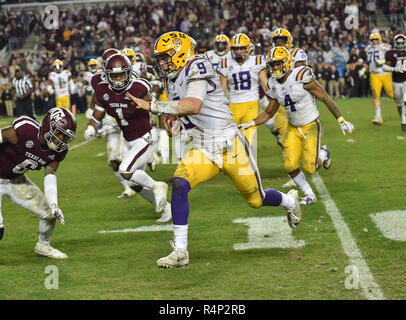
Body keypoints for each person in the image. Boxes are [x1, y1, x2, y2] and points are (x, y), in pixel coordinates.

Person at [127, 31, 302, 269]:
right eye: (160, 58)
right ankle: (180, 251)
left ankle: (290, 202)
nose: (162, 62)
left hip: (230, 145)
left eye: (166, 56)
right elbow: (178, 112)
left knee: (256, 199)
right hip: (203, 148)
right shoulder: (171, 77)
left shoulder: (197, 64)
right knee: (179, 183)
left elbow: (194, 105)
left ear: (181, 52)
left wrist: (152, 106)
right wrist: (171, 121)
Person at [239, 47, 355, 205]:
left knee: (310, 168)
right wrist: (250, 123)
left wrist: (340, 119)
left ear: (286, 62)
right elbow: (269, 112)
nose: (274, 68)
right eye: (272, 65)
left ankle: (323, 153)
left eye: (278, 64)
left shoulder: (301, 75)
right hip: (292, 128)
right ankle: (309, 194)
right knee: (290, 165)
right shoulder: (273, 83)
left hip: (311, 124)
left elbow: (325, 97)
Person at [84, 53, 171, 223]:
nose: (118, 79)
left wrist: (162, 136)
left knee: (126, 170)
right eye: (114, 75)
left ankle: (157, 185)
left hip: (145, 137)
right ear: (107, 75)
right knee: (132, 182)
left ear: (129, 72)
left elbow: (159, 109)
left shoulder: (137, 88)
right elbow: (98, 113)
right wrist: (91, 126)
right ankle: (168, 208)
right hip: (129, 138)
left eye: (121, 74)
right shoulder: (103, 89)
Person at [0, 107, 76, 258]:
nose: (60, 139)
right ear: (48, 124)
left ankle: (43, 246)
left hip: (15, 180)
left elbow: (50, 173)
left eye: (65, 136)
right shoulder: (26, 130)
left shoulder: (59, 151)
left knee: (49, 214)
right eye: (58, 132)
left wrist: (54, 203)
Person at [218, 33, 268, 143]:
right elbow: (222, 90)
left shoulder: (257, 61)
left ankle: (247, 159)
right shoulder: (225, 63)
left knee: (246, 142)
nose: (238, 51)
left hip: (251, 104)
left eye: (241, 48)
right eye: (235, 49)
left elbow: (265, 85)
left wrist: (273, 99)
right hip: (232, 106)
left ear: (248, 48)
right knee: (231, 143)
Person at [364, 33, 393, 124]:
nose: (374, 42)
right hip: (374, 74)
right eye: (372, 40)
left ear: (379, 39)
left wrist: (384, 61)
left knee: (391, 94)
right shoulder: (368, 49)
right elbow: (369, 62)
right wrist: (363, 69)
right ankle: (378, 117)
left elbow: (391, 59)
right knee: (376, 95)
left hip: (385, 73)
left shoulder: (385, 47)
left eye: (376, 39)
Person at [384, 34, 406, 131]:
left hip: (405, 80)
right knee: (399, 103)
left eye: (402, 43)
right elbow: (384, 67)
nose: (400, 45)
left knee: (405, 101)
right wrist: (394, 69)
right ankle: (402, 117)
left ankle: (404, 121)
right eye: (398, 43)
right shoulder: (390, 53)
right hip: (396, 82)